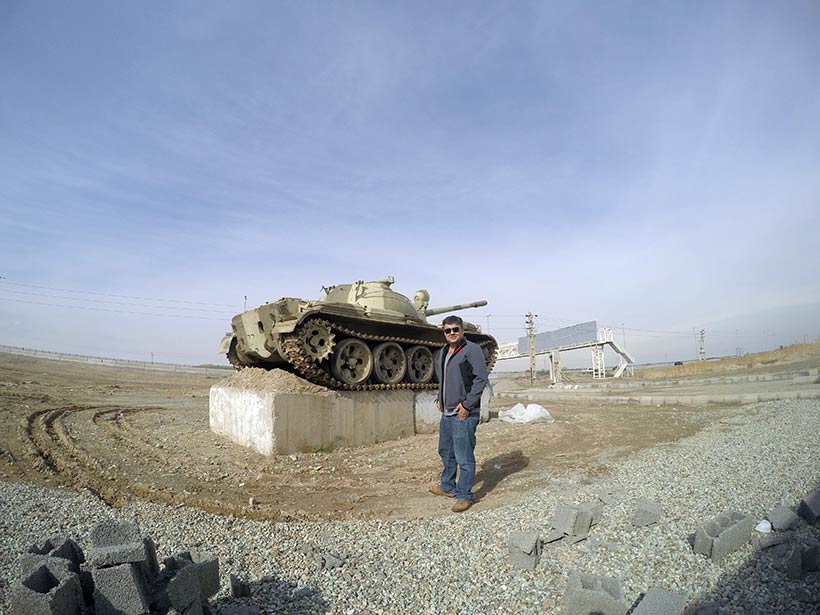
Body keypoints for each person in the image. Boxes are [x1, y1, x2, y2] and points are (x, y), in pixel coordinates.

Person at [429, 314, 488, 512]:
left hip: (463, 412)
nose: (452, 333)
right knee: (445, 452)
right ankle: (447, 487)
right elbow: (444, 379)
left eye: (455, 329)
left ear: (462, 330)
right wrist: (440, 398)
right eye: (448, 330)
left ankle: (465, 496)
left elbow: (481, 379)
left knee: (464, 457)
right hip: (447, 412)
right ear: (444, 332)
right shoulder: (445, 350)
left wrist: (468, 405)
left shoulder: (472, 349)